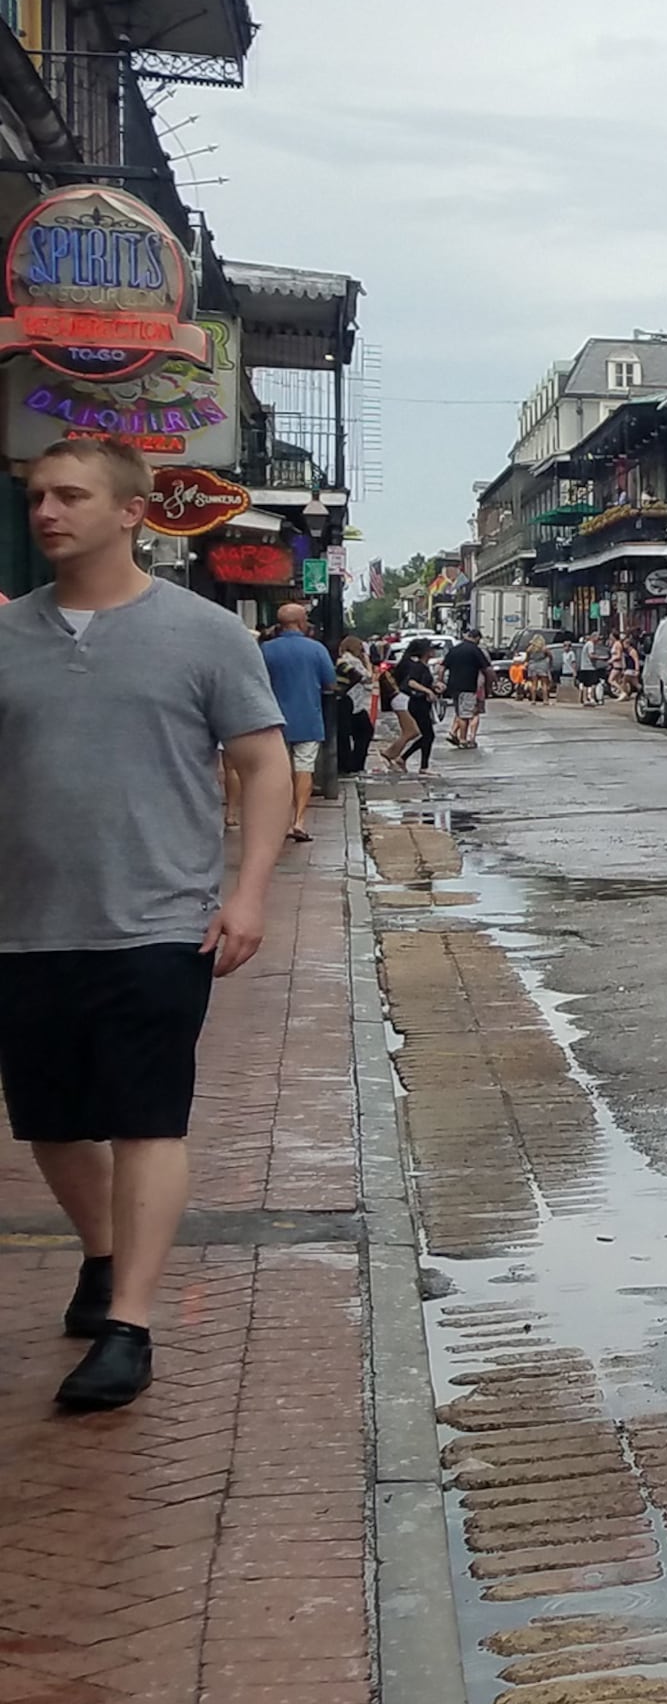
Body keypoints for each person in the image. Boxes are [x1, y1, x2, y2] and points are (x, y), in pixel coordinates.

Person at [0, 438, 294, 1412]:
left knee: (145, 1119)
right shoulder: (11, 637)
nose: (48, 512)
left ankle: (129, 1324)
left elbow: (264, 765)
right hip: (29, 926)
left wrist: (247, 892)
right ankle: (100, 1253)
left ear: (131, 511)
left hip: (161, 922)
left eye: (71, 495)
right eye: (38, 496)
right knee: (47, 1122)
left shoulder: (206, 635)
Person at [259, 603, 335, 847]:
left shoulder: (265, 650)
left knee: (275, 771)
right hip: (308, 717)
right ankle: (299, 820)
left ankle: (275, 822)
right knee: (304, 767)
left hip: (271, 719)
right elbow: (330, 684)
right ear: (302, 622)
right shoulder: (316, 650)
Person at [383, 639, 440, 774]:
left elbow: (421, 682)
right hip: (416, 703)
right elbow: (411, 682)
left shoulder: (423, 666)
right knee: (425, 734)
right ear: (425, 652)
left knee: (425, 734)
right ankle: (420, 765)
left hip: (421, 703)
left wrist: (434, 687)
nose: (434, 651)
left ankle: (403, 758)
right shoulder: (417, 666)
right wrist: (428, 691)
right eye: (431, 649)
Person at [333, 636, 378, 777]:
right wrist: (367, 662)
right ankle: (355, 764)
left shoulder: (344, 659)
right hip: (353, 703)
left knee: (356, 733)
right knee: (364, 732)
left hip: (353, 702)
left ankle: (352, 763)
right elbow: (367, 678)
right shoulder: (352, 661)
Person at [444, 632, 488, 748]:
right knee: (469, 714)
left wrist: (439, 681)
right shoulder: (476, 651)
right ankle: (464, 739)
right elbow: (486, 668)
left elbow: (442, 667)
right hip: (469, 686)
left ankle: (454, 733)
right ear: (477, 638)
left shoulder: (454, 650)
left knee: (460, 711)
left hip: (453, 687)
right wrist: (492, 682)